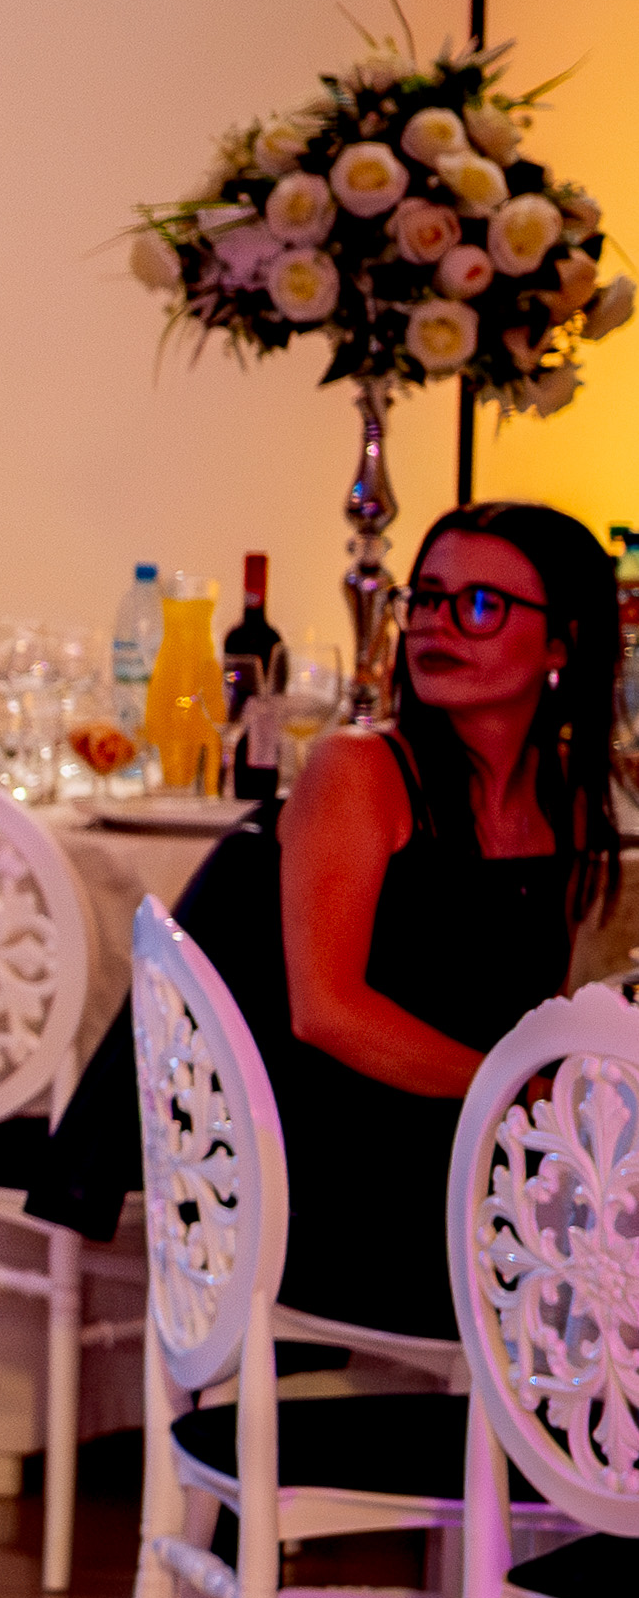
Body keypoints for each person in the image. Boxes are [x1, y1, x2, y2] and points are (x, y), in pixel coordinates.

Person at [268, 499, 619, 1336]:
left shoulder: (565, 797)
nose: (435, 624)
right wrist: (515, 1088)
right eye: (425, 597)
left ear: (561, 642)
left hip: (488, 1163)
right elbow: (323, 1010)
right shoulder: (358, 769)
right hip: (355, 1182)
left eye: (480, 604)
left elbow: (538, 1011)